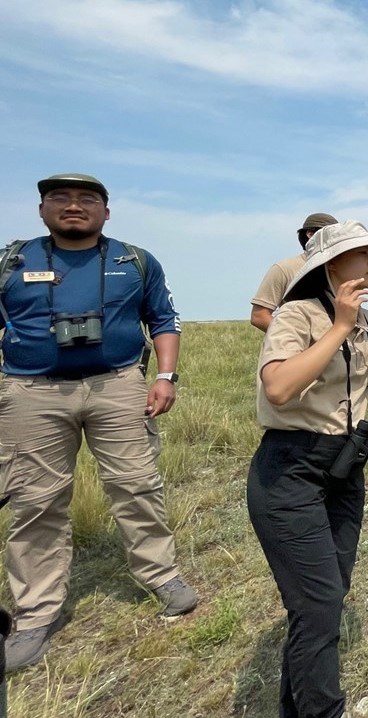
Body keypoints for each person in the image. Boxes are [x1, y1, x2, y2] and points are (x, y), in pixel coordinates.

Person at [0, 173, 198, 672]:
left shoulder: (135, 261)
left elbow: (164, 321)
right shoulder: (11, 262)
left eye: (87, 199)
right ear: (41, 208)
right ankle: (35, 614)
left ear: (106, 212)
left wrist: (166, 376)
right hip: (30, 391)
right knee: (36, 499)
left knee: (136, 484)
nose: (73, 206)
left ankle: (161, 574)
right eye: (59, 199)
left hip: (117, 384)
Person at [248, 220, 368, 718]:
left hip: (343, 469)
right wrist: (338, 325)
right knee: (318, 605)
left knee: (324, 599)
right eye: (363, 253)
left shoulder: (363, 320)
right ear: (331, 265)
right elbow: (277, 389)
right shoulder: (297, 314)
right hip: (290, 471)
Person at [250, 212, 339, 331]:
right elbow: (259, 316)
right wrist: (295, 338)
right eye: (331, 234)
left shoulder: (343, 269)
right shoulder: (284, 268)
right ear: (310, 234)